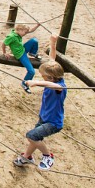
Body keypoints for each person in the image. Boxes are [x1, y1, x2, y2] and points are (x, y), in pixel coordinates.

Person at [13, 35, 66, 171]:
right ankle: (27, 157)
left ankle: (48, 156)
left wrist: (36, 82)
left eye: (43, 76)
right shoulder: (53, 78)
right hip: (44, 118)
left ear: (50, 78)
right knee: (35, 137)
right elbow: (52, 59)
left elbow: (56, 87)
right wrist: (53, 43)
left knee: (31, 136)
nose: (41, 77)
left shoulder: (60, 87)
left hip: (53, 123)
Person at [1, 23, 41, 93]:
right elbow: (4, 44)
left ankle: (32, 53)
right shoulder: (11, 36)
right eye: (25, 32)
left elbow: (31, 30)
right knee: (31, 71)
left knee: (34, 40)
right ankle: (24, 84)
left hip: (23, 49)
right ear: (20, 30)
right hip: (20, 55)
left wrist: (37, 25)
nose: (26, 34)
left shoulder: (18, 32)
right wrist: (4, 53)